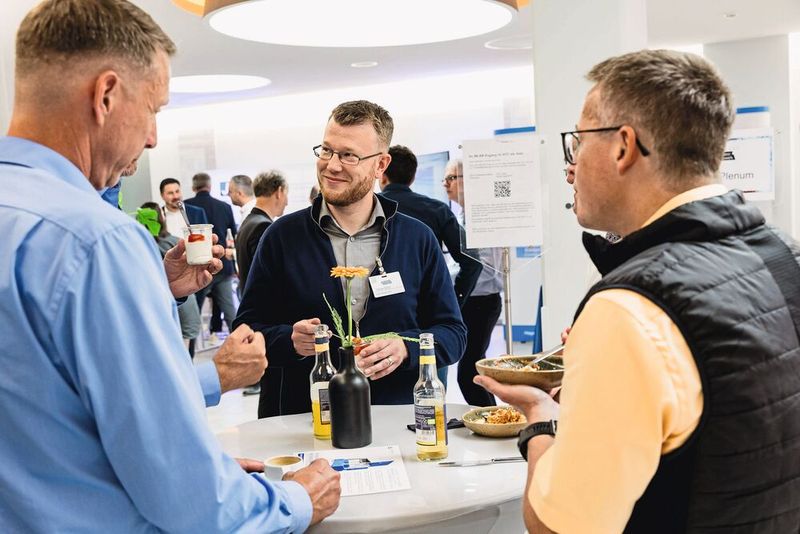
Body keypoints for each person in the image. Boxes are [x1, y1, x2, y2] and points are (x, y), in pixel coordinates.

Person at [0, 1, 340, 531]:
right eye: (154, 109)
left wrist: (153, 290)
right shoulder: (99, 242)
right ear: (106, 95)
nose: (155, 137)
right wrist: (296, 500)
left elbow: (45, 403)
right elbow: (193, 504)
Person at [476, 49, 800, 533]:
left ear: (623, 146)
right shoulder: (784, 253)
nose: (573, 163)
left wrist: (541, 420)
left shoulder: (630, 308)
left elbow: (559, 525)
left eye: (577, 142)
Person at [235, 100, 466, 418]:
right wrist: (288, 339)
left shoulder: (417, 238)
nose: (331, 165)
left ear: (380, 165)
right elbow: (246, 329)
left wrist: (406, 347)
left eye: (348, 155)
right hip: (306, 421)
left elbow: (453, 333)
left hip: (396, 420)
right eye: (326, 150)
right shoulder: (281, 238)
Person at [379, 145, 482, 308]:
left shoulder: (368, 209)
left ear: (382, 175)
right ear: (412, 178)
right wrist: (455, 300)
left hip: (379, 303)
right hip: (426, 304)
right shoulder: (438, 210)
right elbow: (473, 261)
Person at [443, 159, 504, 407]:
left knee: (469, 372)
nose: (446, 184)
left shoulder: (480, 216)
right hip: (475, 300)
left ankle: (490, 419)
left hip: (482, 301)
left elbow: (484, 268)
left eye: (451, 178)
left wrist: (442, 277)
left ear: (468, 181)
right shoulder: (467, 214)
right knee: (470, 370)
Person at [235, 171, 289, 396]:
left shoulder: (249, 222)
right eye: (286, 194)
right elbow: (271, 277)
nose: (286, 201)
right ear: (279, 191)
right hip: (266, 313)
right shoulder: (263, 227)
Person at [137, 202, 202, 354]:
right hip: (181, 303)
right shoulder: (176, 243)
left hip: (160, 305)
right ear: (162, 217)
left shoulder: (138, 245)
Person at [185, 172, 239, 335]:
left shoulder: (186, 207)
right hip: (221, 265)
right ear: (209, 186)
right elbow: (233, 234)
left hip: (197, 267)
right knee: (231, 314)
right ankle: (245, 348)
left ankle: (190, 356)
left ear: (194, 187)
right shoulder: (224, 206)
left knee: (193, 318)